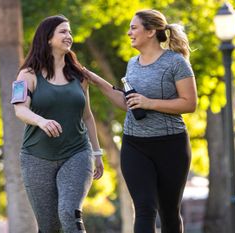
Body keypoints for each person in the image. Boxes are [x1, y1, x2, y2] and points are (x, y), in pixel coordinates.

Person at [83, 9, 197, 233]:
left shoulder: (176, 62)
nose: (129, 33)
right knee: (144, 208)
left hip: (170, 145)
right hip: (135, 145)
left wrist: (149, 103)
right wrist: (95, 80)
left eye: (133, 28)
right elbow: (129, 103)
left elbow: (189, 103)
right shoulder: (132, 64)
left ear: (151, 31)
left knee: (169, 212)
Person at [11, 15, 104, 233]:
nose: (69, 36)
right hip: (36, 157)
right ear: (48, 38)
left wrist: (97, 153)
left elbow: (87, 116)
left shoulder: (79, 76)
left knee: (69, 213)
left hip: (77, 152)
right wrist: (41, 121)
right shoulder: (27, 74)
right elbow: (20, 109)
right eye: (63, 31)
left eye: (70, 32)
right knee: (49, 226)